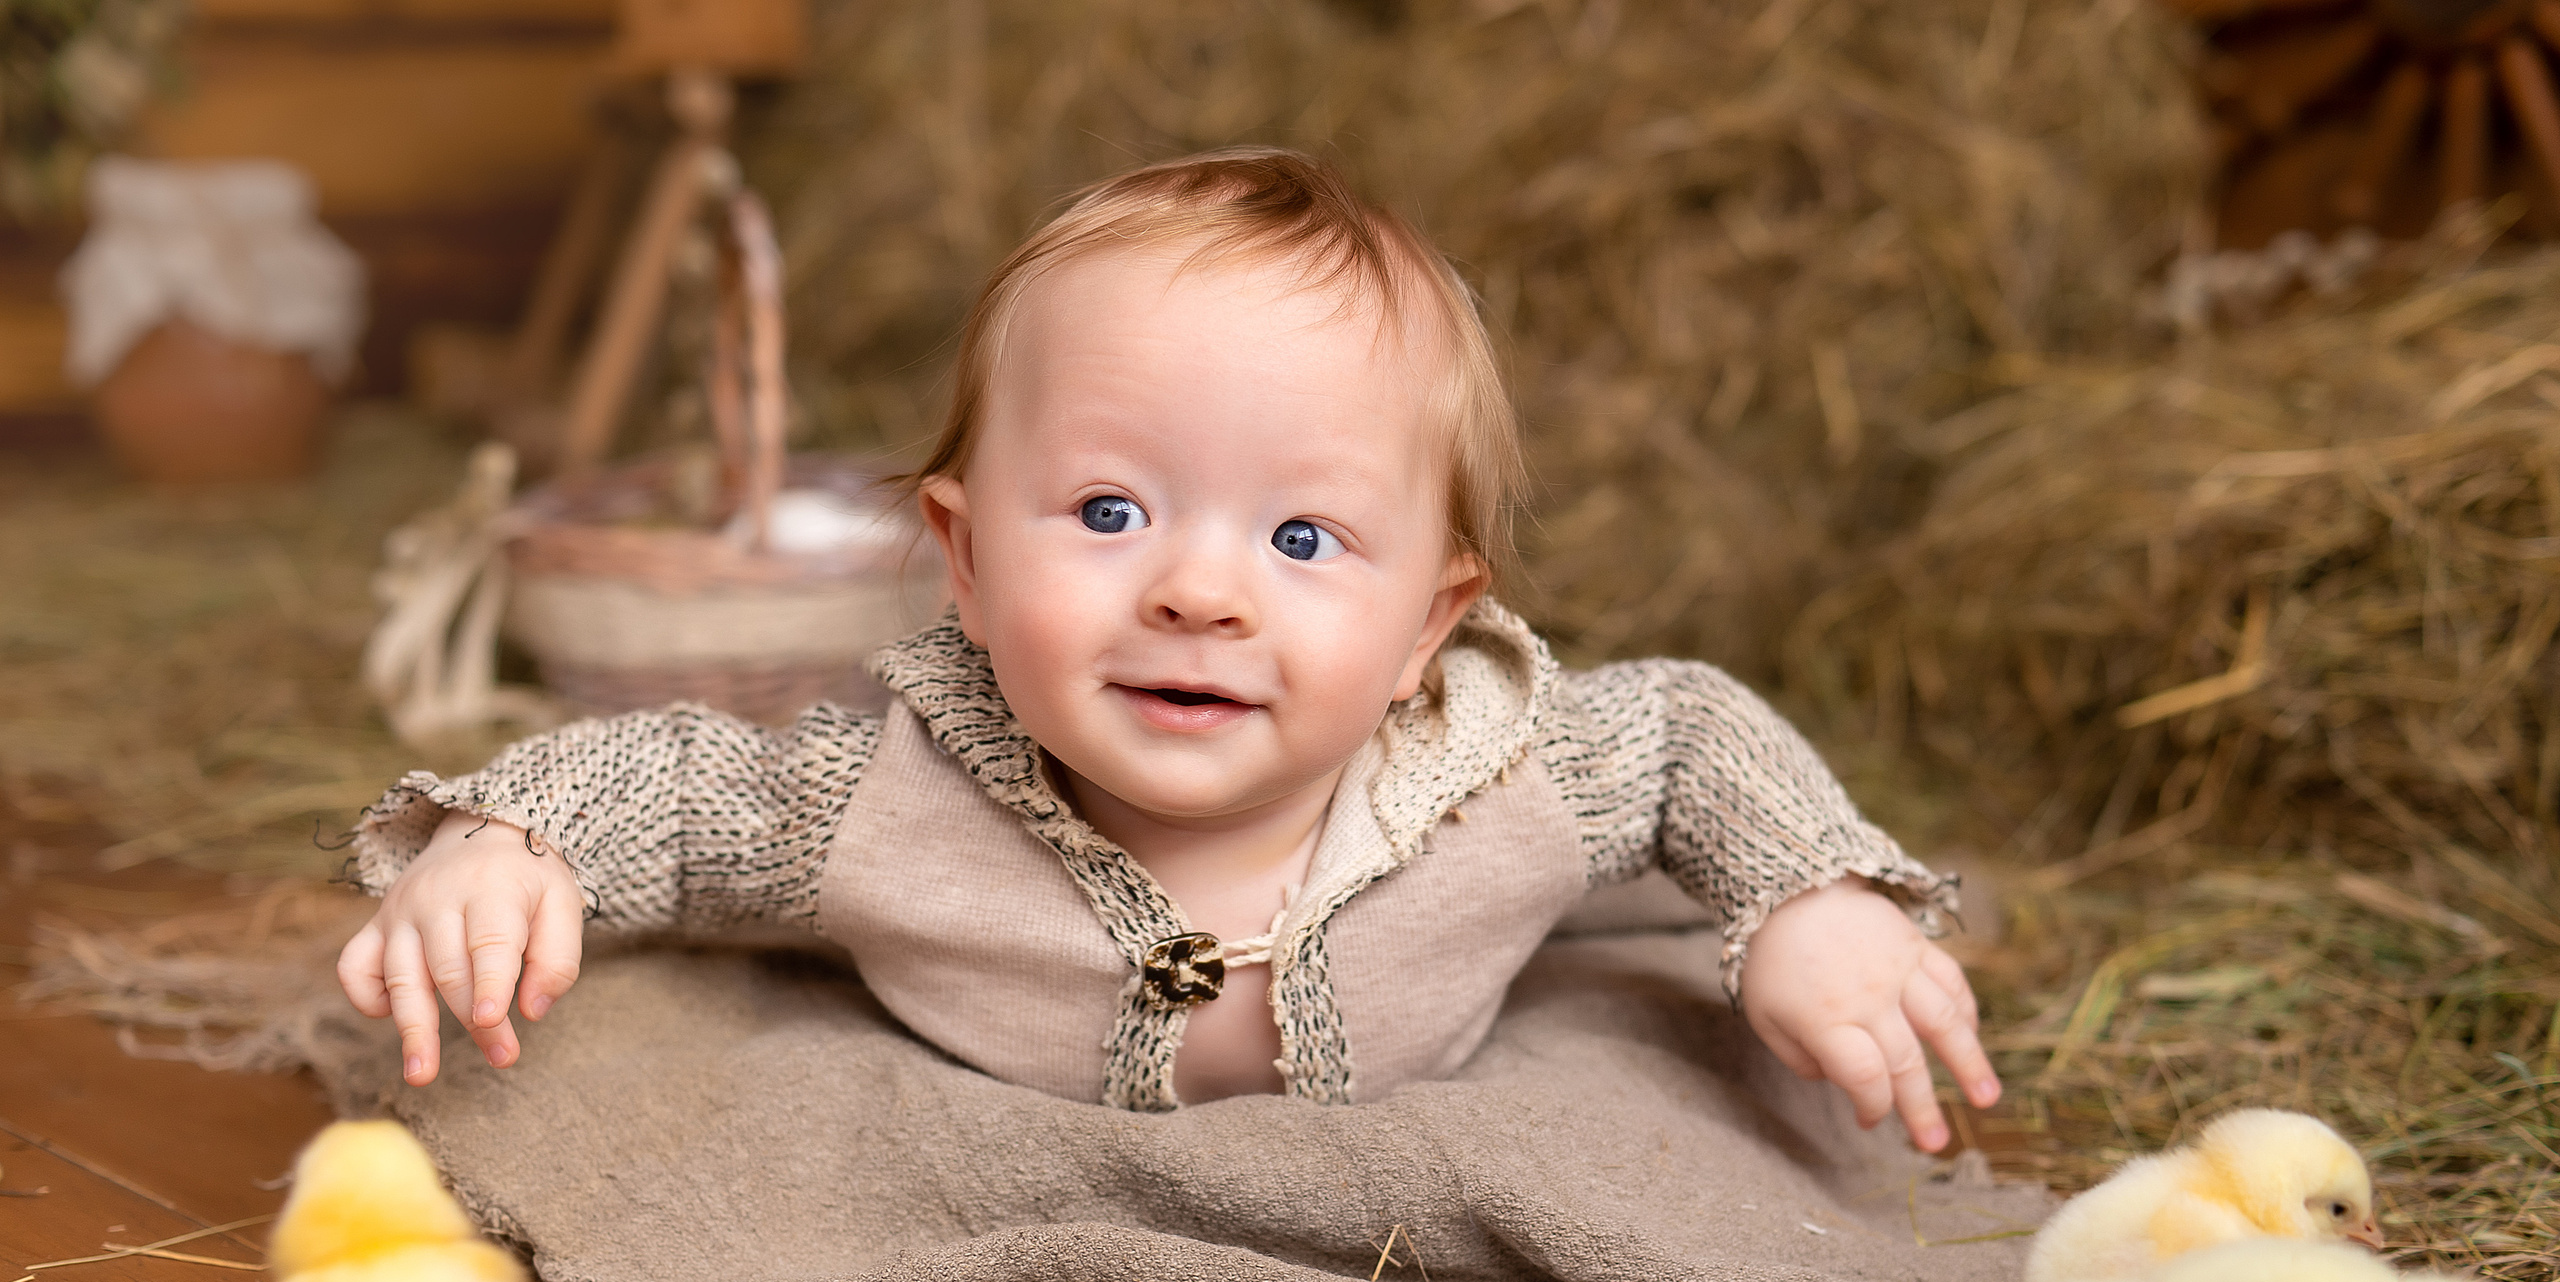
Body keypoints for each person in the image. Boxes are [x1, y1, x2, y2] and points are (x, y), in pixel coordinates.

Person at [339, 147, 2000, 1143]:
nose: (1201, 594)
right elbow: (683, 786)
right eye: (1113, 513)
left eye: (1300, 540)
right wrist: (508, 842)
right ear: (966, 566)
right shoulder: (887, 797)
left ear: (1434, 624)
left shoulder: (1509, 774)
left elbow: (1693, 732)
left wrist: (1812, 897)